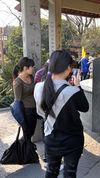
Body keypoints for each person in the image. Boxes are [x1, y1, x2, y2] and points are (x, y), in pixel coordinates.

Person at [34, 50, 89, 178]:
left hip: (50, 137)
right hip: (73, 140)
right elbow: (85, 108)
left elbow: (40, 113)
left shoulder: (38, 87)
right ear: (68, 68)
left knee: (51, 171)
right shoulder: (72, 91)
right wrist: (78, 86)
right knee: (69, 173)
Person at [13, 57, 38, 140]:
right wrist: (19, 119)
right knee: (27, 134)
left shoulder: (31, 77)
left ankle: (26, 150)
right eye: (32, 66)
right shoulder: (18, 82)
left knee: (31, 133)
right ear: (25, 68)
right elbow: (17, 101)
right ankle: (20, 150)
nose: (33, 68)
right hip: (26, 111)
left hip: (34, 109)